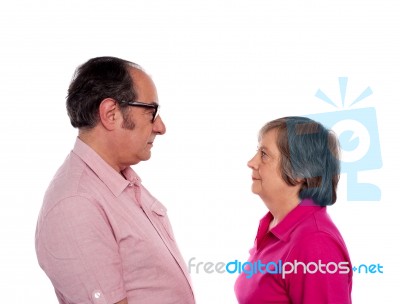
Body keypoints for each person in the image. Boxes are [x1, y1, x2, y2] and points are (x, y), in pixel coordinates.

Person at [35, 56, 195, 304]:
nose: (161, 127)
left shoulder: (119, 183)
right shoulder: (76, 204)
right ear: (110, 114)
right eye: (151, 112)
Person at [234, 116, 352, 303]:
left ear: (300, 172)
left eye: (264, 154)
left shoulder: (315, 244)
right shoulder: (274, 228)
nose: (251, 162)